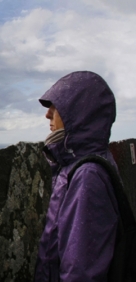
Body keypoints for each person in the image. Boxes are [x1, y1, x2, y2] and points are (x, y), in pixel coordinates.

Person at [34, 71, 120, 281]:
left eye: (57, 107)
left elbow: (81, 271)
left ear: (80, 115)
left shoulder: (87, 175)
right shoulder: (84, 163)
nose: (48, 115)